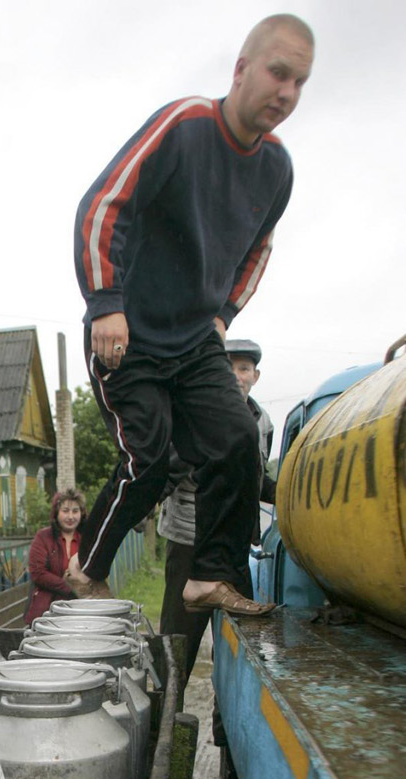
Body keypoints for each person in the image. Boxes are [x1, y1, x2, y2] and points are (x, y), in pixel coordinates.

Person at [69, 14, 313, 619]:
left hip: (196, 336)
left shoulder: (277, 168)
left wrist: (226, 313)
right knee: (149, 460)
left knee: (236, 441)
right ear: (241, 69)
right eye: (278, 73)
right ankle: (87, 570)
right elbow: (103, 204)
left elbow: (260, 248)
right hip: (128, 332)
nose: (286, 93)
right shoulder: (185, 126)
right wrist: (106, 302)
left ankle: (209, 575)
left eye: (299, 82)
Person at [159, 338, 276, 686]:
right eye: (228, 368)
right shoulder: (197, 413)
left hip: (235, 549)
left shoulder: (261, 421)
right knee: (177, 648)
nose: (236, 376)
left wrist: (288, 495)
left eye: (243, 369)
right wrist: (139, 506)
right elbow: (171, 467)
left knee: (241, 645)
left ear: (255, 375)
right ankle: (166, 726)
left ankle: (226, 733)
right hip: (189, 543)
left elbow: (256, 478)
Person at [25, 488, 87, 623]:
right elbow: (38, 573)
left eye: (75, 511)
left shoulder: (88, 540)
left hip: (81, 610)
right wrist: (70, 589)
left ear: (82, 513)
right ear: (56, 513)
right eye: (65, 511)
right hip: (46, 612)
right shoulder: (43, 537)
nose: (70, 516)